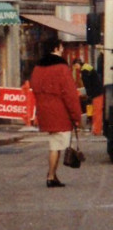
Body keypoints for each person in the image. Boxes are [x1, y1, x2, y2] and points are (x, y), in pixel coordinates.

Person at [30, 37, 83, 188]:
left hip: (44, 110)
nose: (62, 49)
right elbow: (70, 94)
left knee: (55, 143)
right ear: (56, 48)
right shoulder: (61, 67)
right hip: (60, 111)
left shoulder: (37, 67)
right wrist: (76, 116)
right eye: (61, 47)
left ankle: (53, 175)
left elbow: (34, 86)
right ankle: (51, 176)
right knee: (56, 145)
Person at [81, 61, 104, 136]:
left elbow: (87, 85)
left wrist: (89, 95)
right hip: (98, 92)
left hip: (95, 93)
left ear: (77, 65)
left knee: (96, 112)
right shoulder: (88, 67)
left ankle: (97, 130)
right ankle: (96, 130)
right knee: (97, 112)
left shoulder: (84, 71)